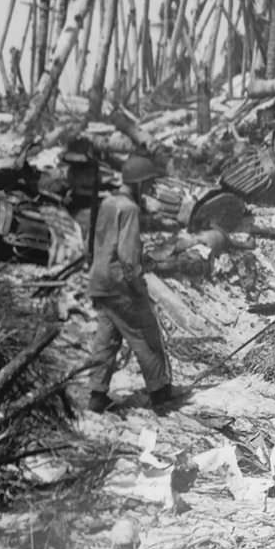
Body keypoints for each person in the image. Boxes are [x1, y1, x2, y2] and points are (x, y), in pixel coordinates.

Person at [87, 154, 176, 414]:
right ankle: (160, 393)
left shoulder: (108, 202)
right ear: (138, 184)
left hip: (100, 281)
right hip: (119, 284)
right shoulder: (129, 209)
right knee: (146, 335)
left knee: (107, 338)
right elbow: (127, 257)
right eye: (147, 184)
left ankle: (96, 394)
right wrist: (137, 285)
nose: (149, 189)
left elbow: (99, 241)